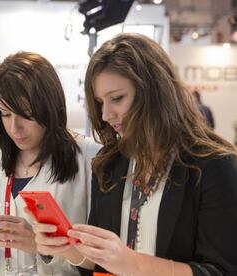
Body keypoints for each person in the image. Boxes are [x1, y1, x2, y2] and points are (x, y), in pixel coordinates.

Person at [33, 33, 237, 276]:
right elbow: (103, 264)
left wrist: (134, 264)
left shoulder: (213, 166)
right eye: (100, 102)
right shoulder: (108, 164)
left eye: (117, 98)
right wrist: (68, 249)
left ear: (154, 91)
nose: (106, 114)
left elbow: (221, 270)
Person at [0, 51, 100, 275]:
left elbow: (100, 257)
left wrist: (42, 246)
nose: (14, 128)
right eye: (5, 114)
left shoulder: (88, 157)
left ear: (50, 107)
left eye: (26, 114)